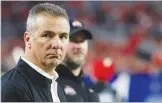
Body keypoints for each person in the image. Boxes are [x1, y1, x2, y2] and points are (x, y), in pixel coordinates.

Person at [1, 3, 70, 102]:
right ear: (28, 39)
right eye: (47, 35)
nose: (57, 44)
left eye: (63, 36)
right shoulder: (13, 88)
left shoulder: (56, 87)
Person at [56, 19, 99, 102]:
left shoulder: (91, 91)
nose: (79, 46)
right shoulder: (48, 85)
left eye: (82, 40)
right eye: (73, 40)